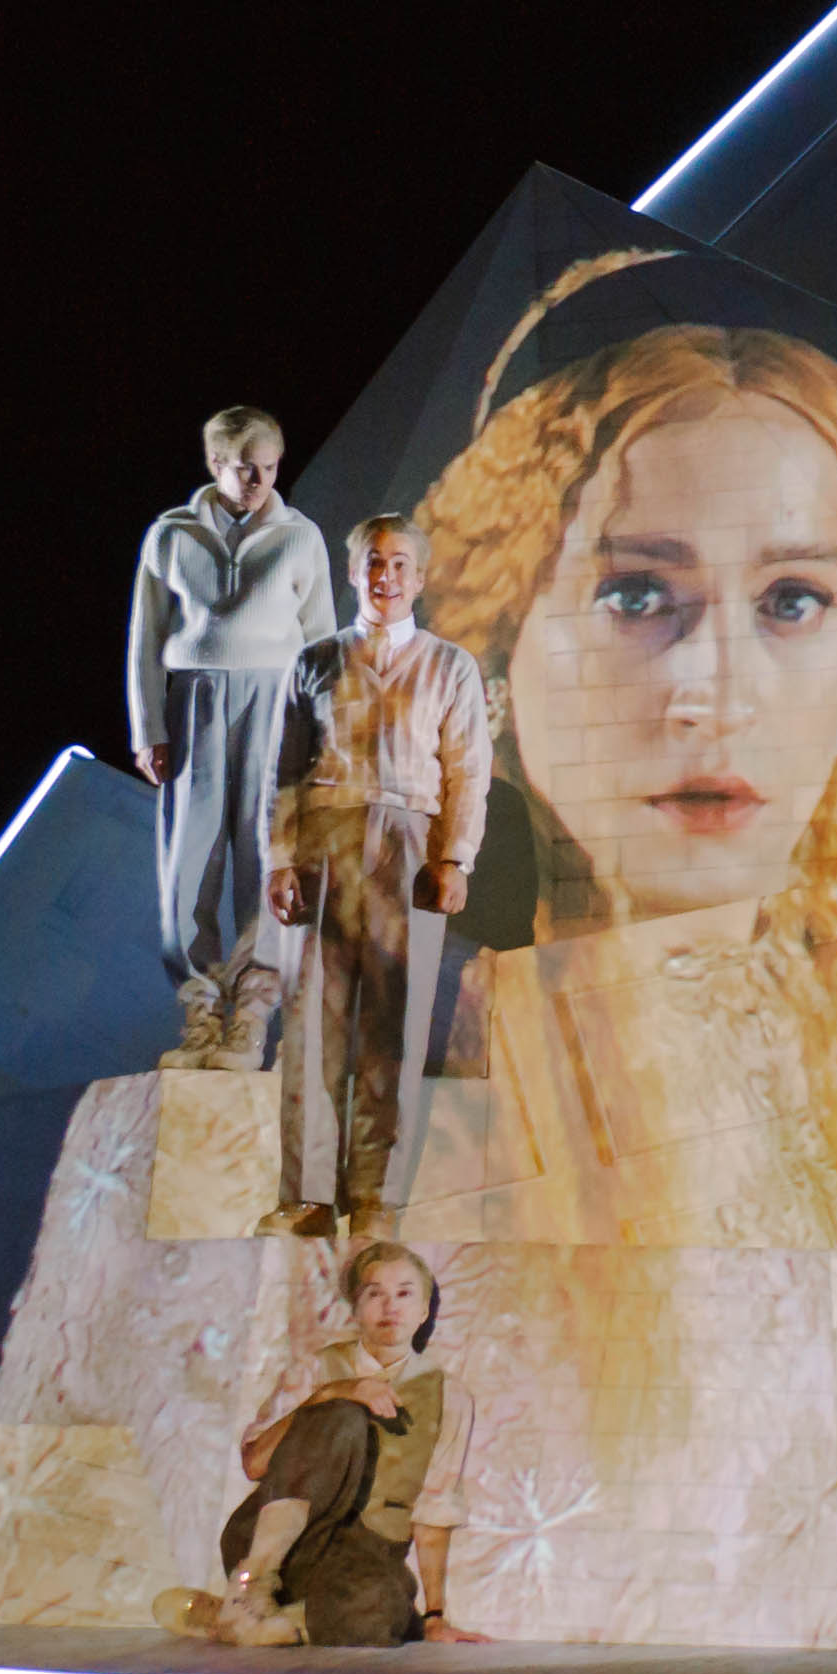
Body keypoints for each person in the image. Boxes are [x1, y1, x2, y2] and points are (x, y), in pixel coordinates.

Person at [390, 248, 837, 1651]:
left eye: (792, 600)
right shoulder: (404, 1114)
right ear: (495, 645)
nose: (717, 691)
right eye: (638, 595)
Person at [259, 511, 489, 1239]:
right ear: (353, 572)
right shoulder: (315, 660)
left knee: (397, 1022)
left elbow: (467, 768)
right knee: (313, 1020)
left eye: (399, 565)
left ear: (419, 579)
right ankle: (307, 1195)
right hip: (325, 840)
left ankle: (374, 1196)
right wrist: (280, 858)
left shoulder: (450, 666)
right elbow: (282, 772)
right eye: (374, 563)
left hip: (408, 843)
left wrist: (454, 857)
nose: (385, 577)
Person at [128, 405, 338, 1070]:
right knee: (188, 861)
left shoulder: (299, 537)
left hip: (275, 703)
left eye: (269, 468)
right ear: (216, 463)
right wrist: (148, 728)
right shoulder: (171, 534)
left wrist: (325, 733)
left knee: (265, 853)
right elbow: (145, 637)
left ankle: (251, 1014)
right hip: (195, 699)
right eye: (245, 468)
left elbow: (322, 643)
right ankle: (200, 1008)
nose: (259, 480)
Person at [162, 1243, 449, 1647]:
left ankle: (246, 1621)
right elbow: (255, 1464)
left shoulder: (448, 1395)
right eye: (375, 1294)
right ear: (356, 1309)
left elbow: (437, 1506)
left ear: (424, 1310)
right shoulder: (316, 1369)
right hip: (274, 1546)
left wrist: (435, 1616)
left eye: (404, 1293)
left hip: (356, 1557)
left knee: (382, 1608)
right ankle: (252, 1589)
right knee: (343, 1417)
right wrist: (329, 1394)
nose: (390, 1307)